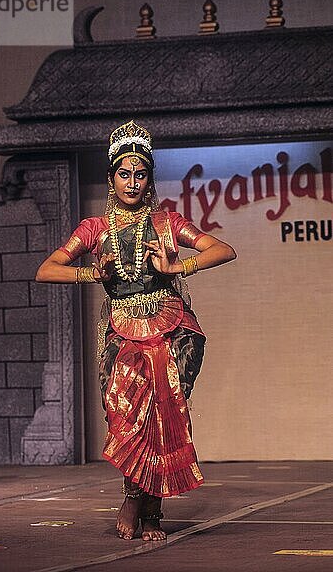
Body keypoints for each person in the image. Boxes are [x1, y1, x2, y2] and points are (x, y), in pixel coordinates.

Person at [35, 120, 236, 541]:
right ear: (112, 178)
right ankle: (135, 497)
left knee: (163, 414)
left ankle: (151, 510)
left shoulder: (167, 222)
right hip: (123, 331)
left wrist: (176, 265)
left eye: (140, 173)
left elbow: (223, 249)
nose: (132, 181)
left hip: (170, 329)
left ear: (149, 179)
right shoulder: (95, 228)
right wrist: (93, 272)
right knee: (124, 414)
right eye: (123, 174)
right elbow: (46, 270)